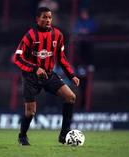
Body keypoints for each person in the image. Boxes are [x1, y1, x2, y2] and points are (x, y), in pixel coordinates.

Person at [14, 7, 80, 146]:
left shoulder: (58, 35)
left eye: (50, 17)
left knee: (71, 96)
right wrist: (35, 68)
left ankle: (64, 134)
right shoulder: (30, 35)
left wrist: (71, 75)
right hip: (31, 77)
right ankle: (22, 136)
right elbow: (17, 58)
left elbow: (61, 58)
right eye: (44, 17)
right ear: (37, 19)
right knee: (30, 112)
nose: (48, 20)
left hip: (49, 75)